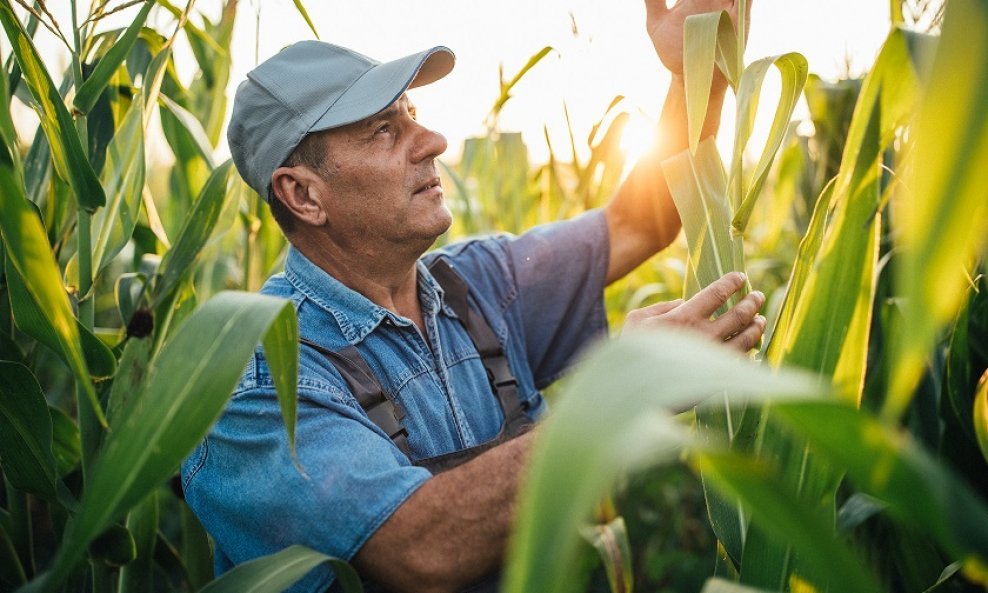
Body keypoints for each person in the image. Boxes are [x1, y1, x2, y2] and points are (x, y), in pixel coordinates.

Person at [181, 1, 762, 592]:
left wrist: (695, 70)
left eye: (413, 114)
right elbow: (419, 547)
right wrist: (619, 394)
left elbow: (639, 223)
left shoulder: (480, 284)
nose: (433, 140)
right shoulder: (257, 383)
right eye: (384, 130)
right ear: (304, 195)